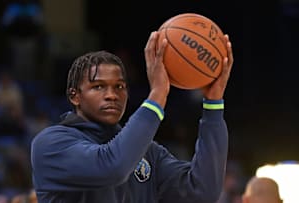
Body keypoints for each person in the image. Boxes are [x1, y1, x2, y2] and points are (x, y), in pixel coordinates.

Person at [31, 31, 234, 202]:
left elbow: (203, 192)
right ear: (75, 96)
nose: (112, 95)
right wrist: (158, 94)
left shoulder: (148, 152)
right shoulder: (51, 143)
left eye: (119, 87)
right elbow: (112, 167)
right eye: (98, 86)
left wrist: (213, 106)